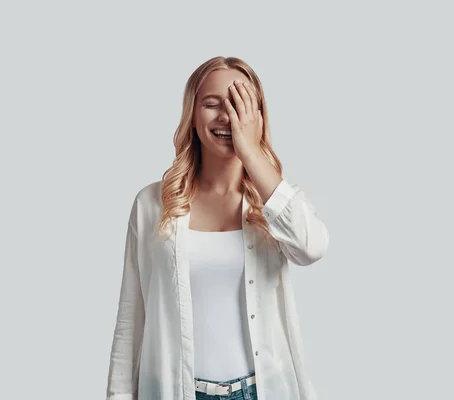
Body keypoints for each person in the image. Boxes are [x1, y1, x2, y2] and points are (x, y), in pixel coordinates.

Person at [105, 56, 330, 400]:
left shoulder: (273, 201)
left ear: (257, 117)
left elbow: (311, 247)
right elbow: (130, 321)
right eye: (212, 104)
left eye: (239, 105)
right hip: (176, 391)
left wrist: (252, 154)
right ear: (192, 115)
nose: (227, 117)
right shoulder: (152, 204)